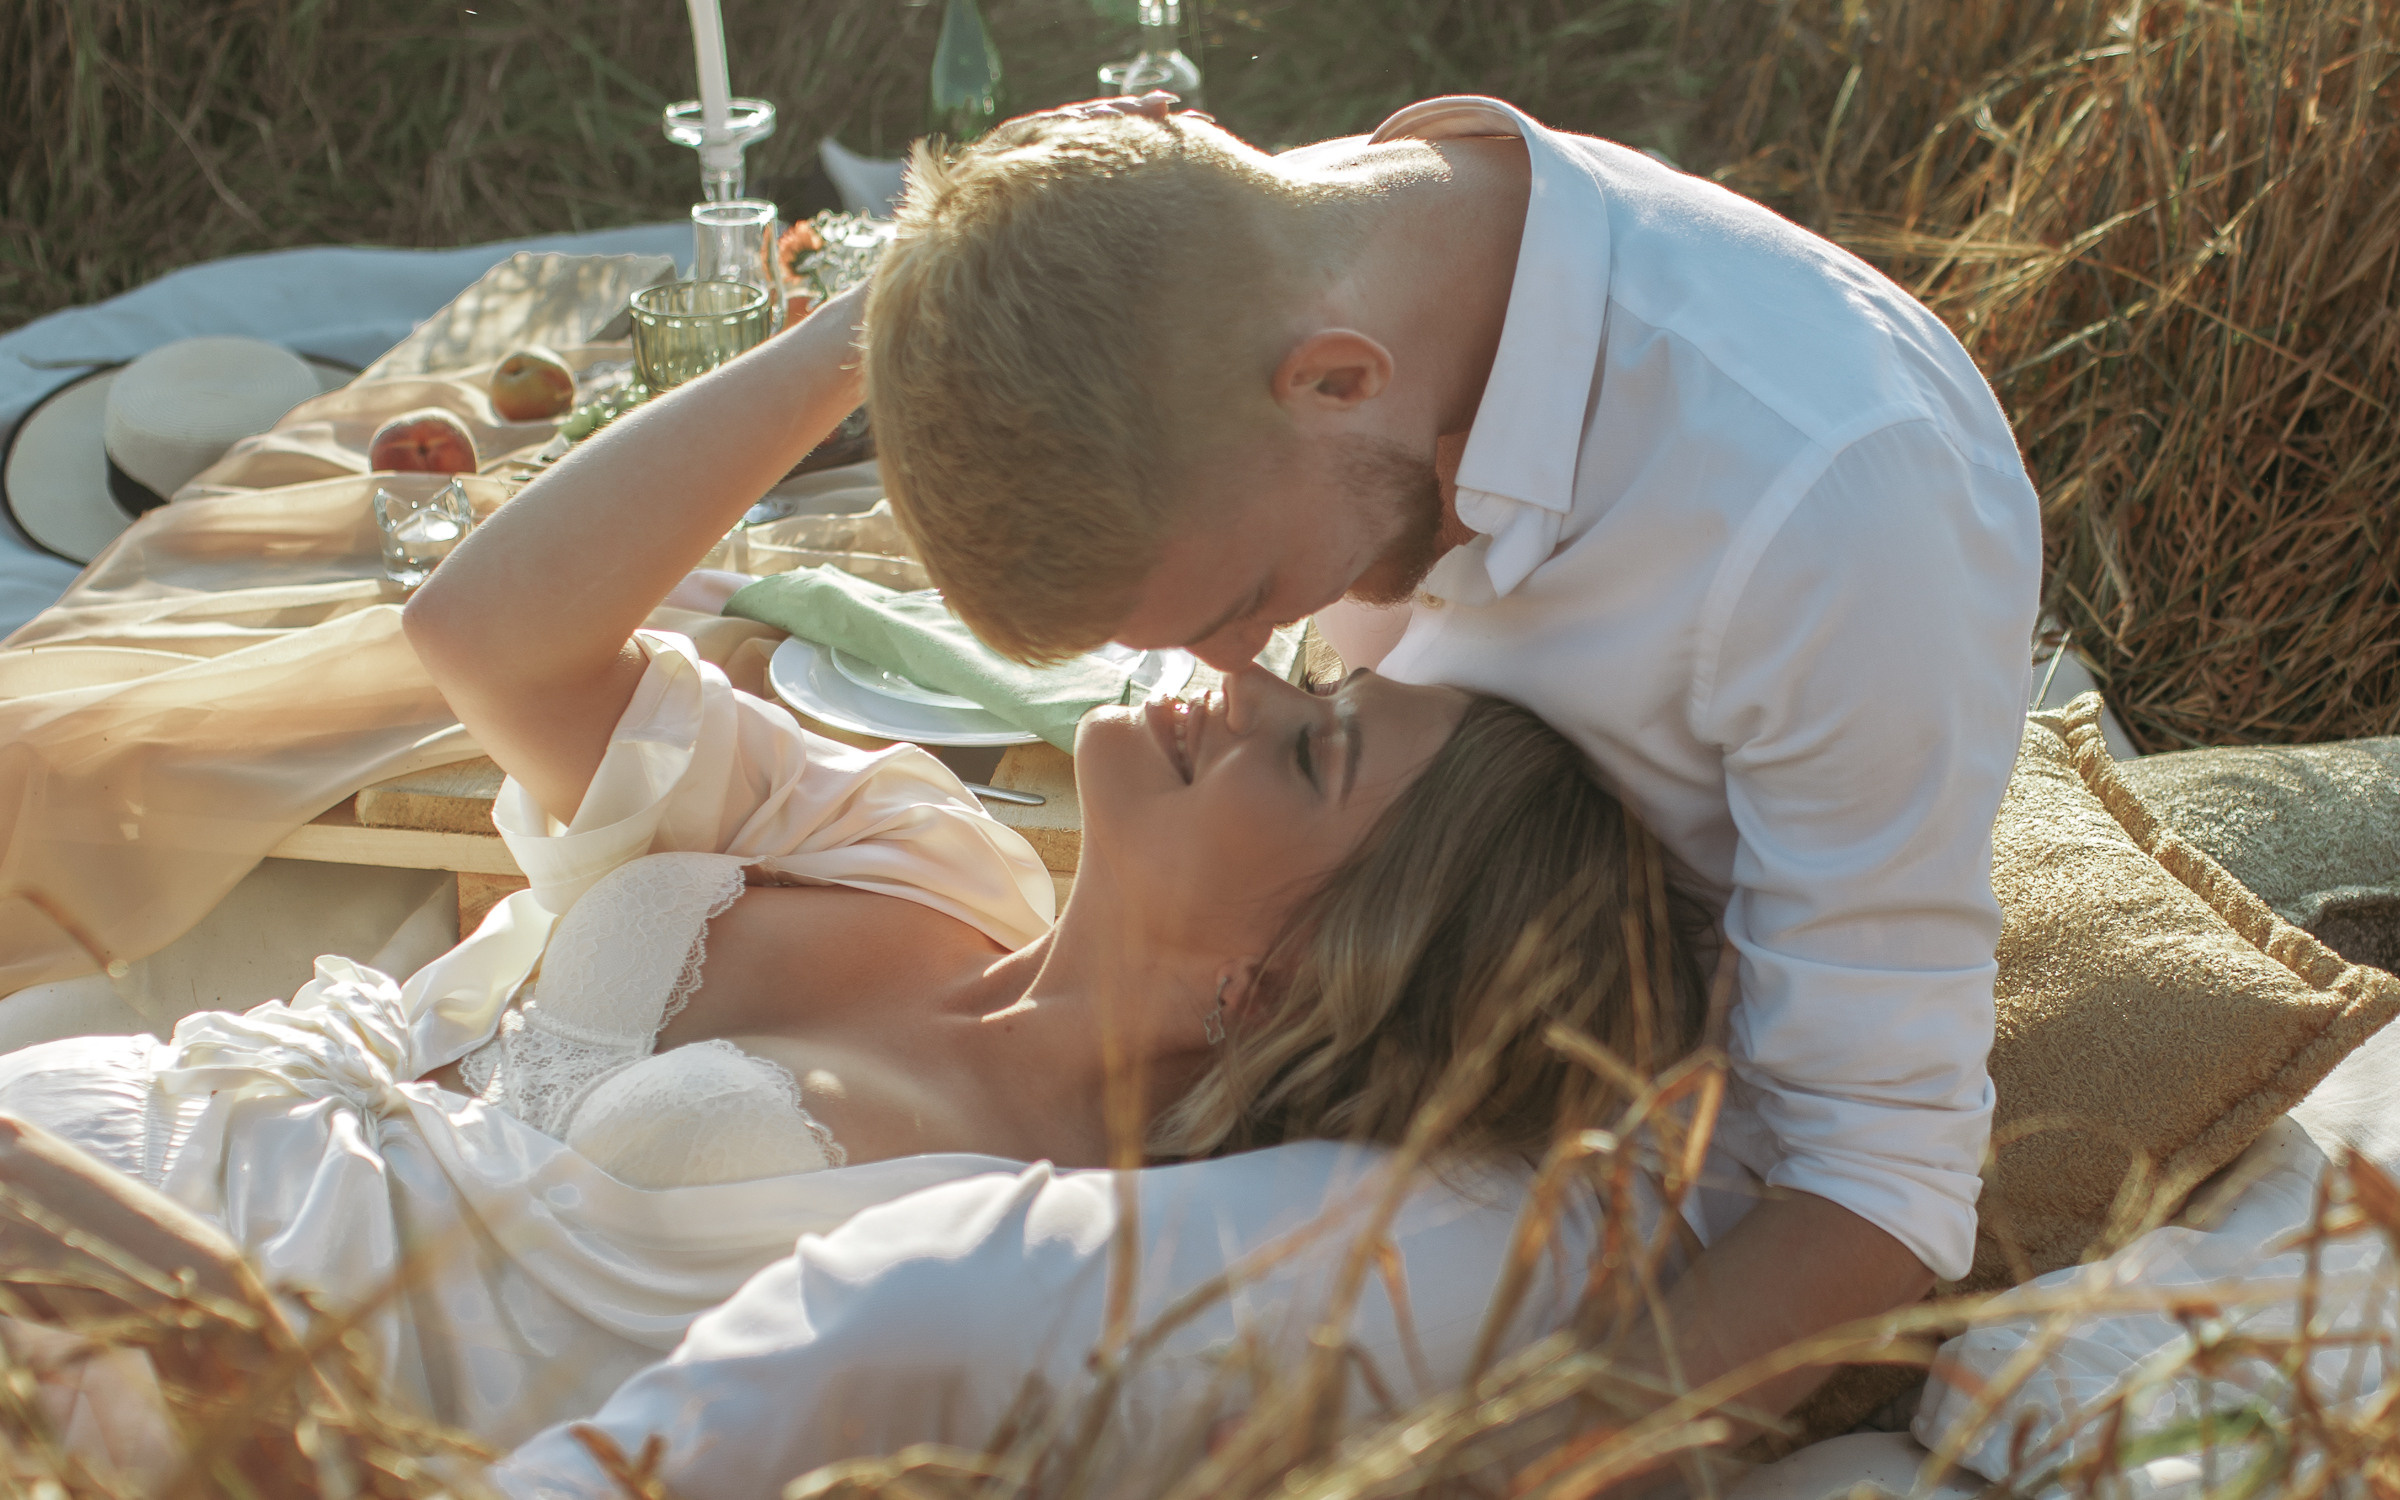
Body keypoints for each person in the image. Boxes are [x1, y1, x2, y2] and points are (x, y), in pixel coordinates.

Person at [499, 89, 2043, 1495]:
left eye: (1242, 596)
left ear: (1338, 383)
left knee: (917, 1301)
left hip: (1601, 1162)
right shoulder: (1276, 257)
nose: (1244, 661)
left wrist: (1540, 1456)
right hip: (1300, 1020)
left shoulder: (1832, 497)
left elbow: (1877, 1174)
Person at [0, 267, 1709, 1452]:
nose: (1253, 682)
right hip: (112, 1121)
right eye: (1318, 687)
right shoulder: (933, 860)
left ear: (1293, 973)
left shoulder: (1048, 1260)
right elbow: (492, 638)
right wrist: (878, 335)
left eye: (1320, 750)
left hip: (145, 1360)